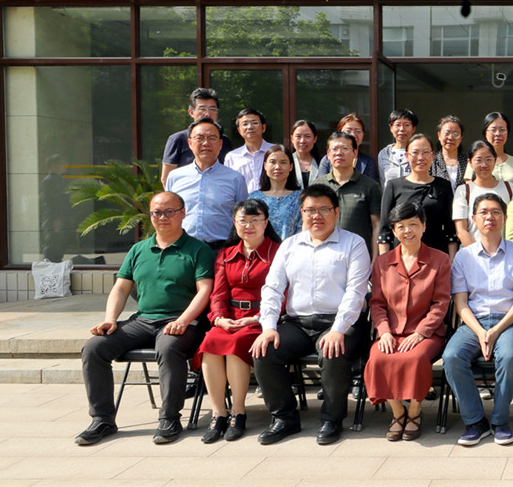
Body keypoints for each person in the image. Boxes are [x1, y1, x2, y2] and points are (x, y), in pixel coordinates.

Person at [75, 191, 214, 446]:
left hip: (182, 322)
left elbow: (204, 290)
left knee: (169, 347)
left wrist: (183, 320)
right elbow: (121, 288)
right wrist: (110, 318)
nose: (163, 217)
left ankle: (170, 418)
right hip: (143, 320)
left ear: (183, 213)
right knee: (94, 347)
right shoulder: (138, 249)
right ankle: (102, 419)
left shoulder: (198, 249)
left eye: (169, 211)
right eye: (156, 212)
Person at [251, 184, 372, 445]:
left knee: (333, 350)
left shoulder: (354, 243)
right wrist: (268, 327)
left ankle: (332, 419)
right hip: (298, 323)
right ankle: (284, 418)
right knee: (265, 351)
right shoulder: (289, 245)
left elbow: (356, 292)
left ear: (336, 212)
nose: (316, 216)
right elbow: (272, 288)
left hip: (341, 321)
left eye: (324, 209)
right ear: (302, 213)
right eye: (310, 210)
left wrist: (338, 329)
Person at [443, 194, 513, 447]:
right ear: (473, 219)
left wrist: (495, 331)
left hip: (509, 322)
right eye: (483, 212)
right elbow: (461, 304)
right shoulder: (463, 257)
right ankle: (475, 421)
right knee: (452, 357)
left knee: (508, 356)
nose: (489, 217)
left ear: (504, 218)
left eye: (495, 212)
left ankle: (499, 421)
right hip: (474, 322)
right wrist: (481, 332)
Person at [364, 201, 452, 443]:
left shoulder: (440, 260)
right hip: (391, 331)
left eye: (413, 224)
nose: (407, 231)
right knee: (378, 358)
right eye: (401, 226)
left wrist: (421, 332)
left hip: (427, 333)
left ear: (424, 226)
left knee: (414, 359)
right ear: (393, 231)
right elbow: (377, 304)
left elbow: (441, 303)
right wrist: (384, 332)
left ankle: (414, 411)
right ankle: (398, 413)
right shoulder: (383, 263)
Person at [196, 199, 280, 444]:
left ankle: (238, 412)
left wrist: (258, 318)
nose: (249, 226)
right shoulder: (226, 253)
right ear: (235, 223)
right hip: (230, 318)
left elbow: (283, 293)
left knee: (235, 345)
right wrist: (219, 318)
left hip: (261, 318)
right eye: (243, 220)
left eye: (255, 220)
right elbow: (218, 293)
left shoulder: (278, 252)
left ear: (266, 222)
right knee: (210, 342)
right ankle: (218, 413)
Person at [164, 117, 247, 252]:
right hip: (182, 249)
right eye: (200, 138)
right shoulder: (175, 177)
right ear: (190, 143)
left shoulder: (236, 179)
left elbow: (243, 217)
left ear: (220, 144)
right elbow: (167, 214)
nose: (206, 143)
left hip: (221, 250)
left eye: (212, 138)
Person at [378, 133, 458, 258]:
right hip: (401, 256)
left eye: (425, 152)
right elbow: (384, 230)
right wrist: (385, 261)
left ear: (432, 156)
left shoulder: (443, 186)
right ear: (407, 156)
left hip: (435, 256)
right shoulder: (394, 186)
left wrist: (451, 261)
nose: (420, 158)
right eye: (415, 153)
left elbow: (450, 229)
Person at [318, 131, 383, 254]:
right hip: (324, 254)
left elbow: (377, 225)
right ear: (328, 155)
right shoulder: (318, 186)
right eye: (334, 149)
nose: (339, 153)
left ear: (355, 153)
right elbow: (308, 224)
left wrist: (375, 258)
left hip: (358, 254)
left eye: (344, 148)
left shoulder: (370, 186)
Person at [453, 141, 513, 246]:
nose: (484, 165)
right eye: (478, 160)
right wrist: (479, 254)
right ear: (470, 162)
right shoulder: (463, 191)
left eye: (488, 159)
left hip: (505, 253)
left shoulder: (509, 188)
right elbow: (461, 231)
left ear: (495, 160)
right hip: (471, 253)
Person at [160, 87, 233, 185]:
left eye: (212, 109)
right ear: (191, 112)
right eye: (202, 109)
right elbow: (166, 179)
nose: (207, 114)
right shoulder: (177, 139)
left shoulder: (224, 140)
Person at [249, 144, 302, 238]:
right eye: (272, 162)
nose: (277, 167)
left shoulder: (301, 197)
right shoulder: (254, 198)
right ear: (265, 166)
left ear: (291, 166)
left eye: (283, 162)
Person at [224, 107, 275, 193]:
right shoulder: (232, 157)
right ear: (239, 130)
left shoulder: (275, 151)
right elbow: (228, 186)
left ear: (263, 127)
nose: (250, 127)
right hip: (243, 201)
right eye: (245, 124)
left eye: (254, 123)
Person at [317, 113, 378, 180]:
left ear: (363, 134)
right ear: (339, 133)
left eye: (358, 131)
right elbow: (321, 184)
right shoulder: (327, 160)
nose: (353, 135)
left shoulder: (369, 162)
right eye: (348, 131)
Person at [467, 111, 513, 185]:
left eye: (502, 130)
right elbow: (469, 187)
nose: (498, 134)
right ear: (485, 132)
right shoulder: (476, 160)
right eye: (493, 130)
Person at [379, 108, 418, 184]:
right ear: (391, 128)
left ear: (413, 128)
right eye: (397, 125)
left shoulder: (419, 152)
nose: (402, 129)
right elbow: (383, 182)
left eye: (406, 125)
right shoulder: (384, 154)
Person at [431, 115, 468, 192]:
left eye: (455, 134)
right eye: (446, 133)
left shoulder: (468, 162)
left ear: (461, 137)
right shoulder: (431, 161)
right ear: (439, 135)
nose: (450, 137)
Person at [288, 119, 325, 188]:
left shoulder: (323, 163)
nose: (302, 141)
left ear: (315, 139)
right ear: (292, 138)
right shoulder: (286, 162)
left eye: (307, 136)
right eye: (298, 136)